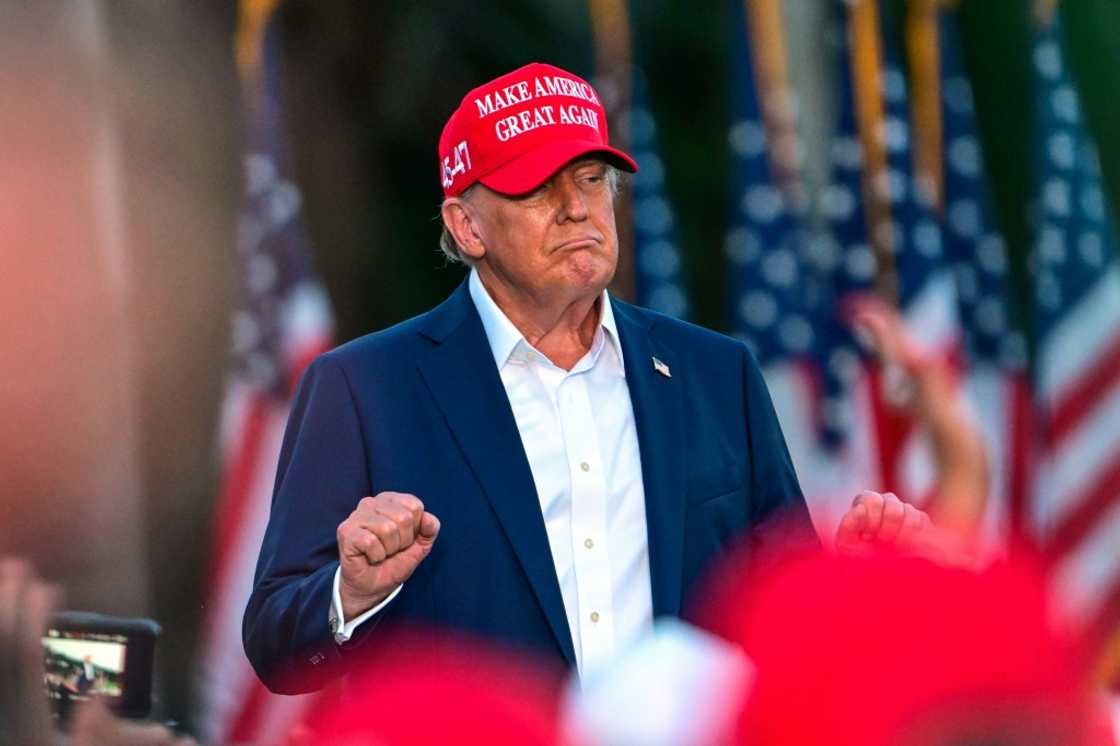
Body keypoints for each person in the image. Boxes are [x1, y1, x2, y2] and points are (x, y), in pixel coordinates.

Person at [243, 62, 943, 694]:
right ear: (466, 227)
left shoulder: (715, 374)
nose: (578, 208)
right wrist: (351, 592)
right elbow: (275, 644)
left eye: (590, 180)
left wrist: (848, 577)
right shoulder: (364, 387)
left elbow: (784, 617)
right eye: (537, 188)